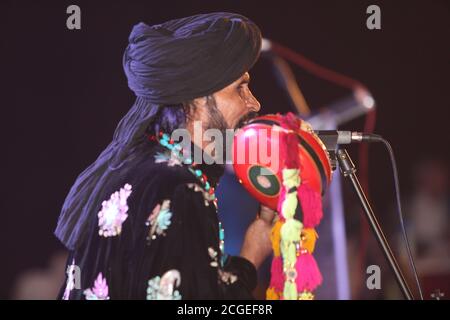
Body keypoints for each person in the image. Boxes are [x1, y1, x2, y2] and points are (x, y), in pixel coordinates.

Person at [55, 12, 276, 300]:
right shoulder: (179, 187)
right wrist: (249, 261)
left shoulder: (139, 167)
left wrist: (255, 240)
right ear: (197, 98)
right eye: (240, 88)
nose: (254, 103)